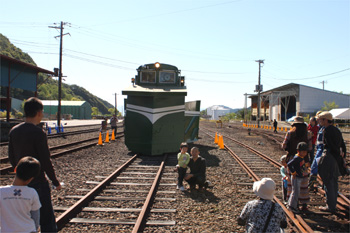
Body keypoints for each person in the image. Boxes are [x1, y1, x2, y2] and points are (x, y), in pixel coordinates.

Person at [8, 97, 61, 232]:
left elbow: (12, 157)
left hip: (20, 182)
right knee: (46, 218)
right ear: (38, 112)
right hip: (38, 181)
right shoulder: (38, 133)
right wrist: (55, 181)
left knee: (23, 216)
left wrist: (20, 174)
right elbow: (45, 160)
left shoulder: (14, 131)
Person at [1, 156, 41, 233]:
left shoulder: (1, 191)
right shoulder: (32, 193)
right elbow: (35, 216)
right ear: (31, 179)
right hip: (28, 230)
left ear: (15, 169)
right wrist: (35, 229)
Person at [317, 111, 347, 213]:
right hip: (336, 159)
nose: (319, 121)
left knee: (328, 182)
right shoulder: (337, 130)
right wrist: (342, 156)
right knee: (334, 182)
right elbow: (343, 145)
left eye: (320, 119)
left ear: (325, 120)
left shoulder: (327, 130)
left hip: (330, 157)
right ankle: (332, 204)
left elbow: (329, 146)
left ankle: (330, 206)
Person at [282, 116, 311, 211]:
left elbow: (284, 146)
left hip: (292, 159)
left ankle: (293, 202)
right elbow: (310, 148)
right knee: (304, 182)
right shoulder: (308, 134)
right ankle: (304, 204)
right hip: (304, 161)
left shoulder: (290, 133)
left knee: (292, 183)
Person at [287, 142, 309, 213]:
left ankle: (290, 204)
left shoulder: (300, 158)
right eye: (303, 152)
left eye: (305, 152)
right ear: (298, 151)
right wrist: (293, 172)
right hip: (296, 177)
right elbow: (289, 164)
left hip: (299, 176)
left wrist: (305, 165)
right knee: (295, 192)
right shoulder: (297, 158)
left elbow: (300, 166)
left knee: (295, 191)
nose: (304, 153)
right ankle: (293, 207)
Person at [309, 112, 325, 190]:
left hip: (321, 150)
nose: (317, 120)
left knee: (314, 167)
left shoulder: (323, 129)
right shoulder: (320, 127)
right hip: (320, 149)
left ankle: (311, 184)